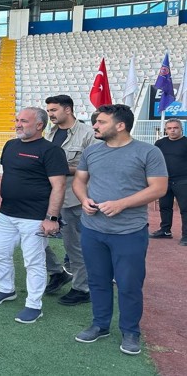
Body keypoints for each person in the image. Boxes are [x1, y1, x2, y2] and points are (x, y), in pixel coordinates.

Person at [73, 104, 167, 355]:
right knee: (97, 280)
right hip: (92, 229)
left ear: (120, 125)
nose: (95, 126)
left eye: (101, 122)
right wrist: (83, 199)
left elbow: (159, 188)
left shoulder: (148, 152)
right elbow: (80, 181)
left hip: (129, 232)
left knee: (129, 284)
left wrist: (121, 204)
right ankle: (100, 324)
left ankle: (130, 331)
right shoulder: (92, 151)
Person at [0, 107, 68, 324]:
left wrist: (52, 218)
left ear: (39, 125)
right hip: (7, 213)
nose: (18, 124)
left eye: (23, 121)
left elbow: (59, 186)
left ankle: (34, 305)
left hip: (34, 216)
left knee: (33, 261)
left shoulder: (51, 151)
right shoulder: (10, 145)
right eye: (17, 120)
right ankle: (6, 289)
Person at [44, 95, 98, 305]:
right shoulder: (50, 132)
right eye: (48, 110)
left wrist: (59, 168)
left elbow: (96, 167)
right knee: (34, 236)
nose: (50, 114)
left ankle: (82, 288)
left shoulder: (87, 134)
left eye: (54, 110)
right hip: (49, 196)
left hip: (74, 198)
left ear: (68, 109)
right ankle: (57, 272)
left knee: (74, 246)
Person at [149, 118, 187, 245]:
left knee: (185, 209)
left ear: (181, 129)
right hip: (164, 180)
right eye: (169, 128)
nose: (172, 130)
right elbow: (154, 161)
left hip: (183, 181)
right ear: (166, 130)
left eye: (175, 128)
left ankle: (186, 236)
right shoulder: (160, 143)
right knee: (165, 207)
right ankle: (165, 230)